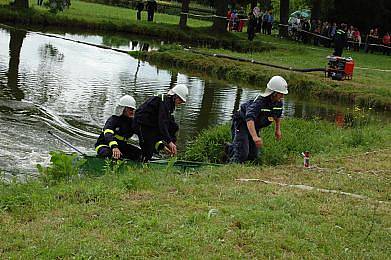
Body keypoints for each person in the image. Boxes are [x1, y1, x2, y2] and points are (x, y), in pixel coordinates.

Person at [226, 76, 288, 164]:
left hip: (254, 127)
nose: (282, 96)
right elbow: (249, 119)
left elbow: (277, 117)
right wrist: (255, 137)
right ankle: (231, 166)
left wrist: (277, 130)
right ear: (273, 93)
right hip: (242, 123)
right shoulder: (259, 102)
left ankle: (231, 148)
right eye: (281, 93)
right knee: (242, 154)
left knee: (253, 155)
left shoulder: (278, 103)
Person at [134, 84, 189, 161]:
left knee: (174, 126)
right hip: (140, 124)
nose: (181, 103)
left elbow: (171, 125)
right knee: (148, 150)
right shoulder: (164, 103)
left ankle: (157, 149)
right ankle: (143, 162)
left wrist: (172, 142)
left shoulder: (170, 105)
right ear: (175, 96)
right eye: (180, 100)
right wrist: (169, 142)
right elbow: (162, 123)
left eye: (182, 101)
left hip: (151, 125)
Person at [95, 95, 142, 161]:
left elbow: (143, 135)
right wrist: (114, 147)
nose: (133, 111)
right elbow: (108, 134)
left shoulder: (133, 122)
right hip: (104, 145)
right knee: (109, 153)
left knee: (139, 153)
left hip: (121, 146)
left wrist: (157, 146)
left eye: (133, 109)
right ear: (123, 109)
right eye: (130, 109)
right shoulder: (113, 120)